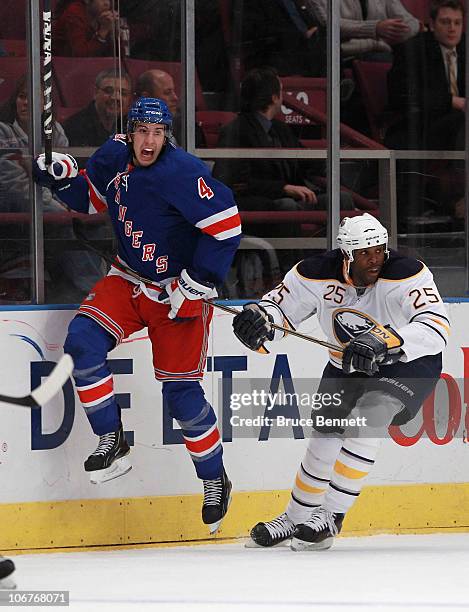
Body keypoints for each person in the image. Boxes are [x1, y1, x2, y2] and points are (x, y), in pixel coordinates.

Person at [32, 98, 241, 533]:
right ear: (129, 131)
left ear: (168, 134)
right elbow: (91, 200)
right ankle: (112, 438)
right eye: (142, 131)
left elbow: (227, 226)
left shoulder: (183, 172)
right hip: (128, 278)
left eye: (158, 133)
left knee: (181, 395)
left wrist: (196, 284)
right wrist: (58, 178)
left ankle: (214, 478)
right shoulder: (113, 154)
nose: (149, 141)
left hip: (176, 294)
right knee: (82, 345)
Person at [232, 213, 449, 550]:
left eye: (378, 250)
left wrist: (383, 341)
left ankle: (331, 515)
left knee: (368, 416)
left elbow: (436, 326)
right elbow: (278, 308)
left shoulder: (407, 273)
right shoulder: (314, 273)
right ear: (346, 254)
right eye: (364, 253)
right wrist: (259, 318)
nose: (375, 259)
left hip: (407, 363)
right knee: (323, 437)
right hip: (346, 365)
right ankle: (295, 519)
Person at [0, 75, 103, 303]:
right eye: (22, 97)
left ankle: (106, 285)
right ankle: (94, 293)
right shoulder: (3, 132)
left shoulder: (55, 131)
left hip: (49, 205)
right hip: (15, 210)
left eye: (33, 98)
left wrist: (68, 203)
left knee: (98, 223)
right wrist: (64, 209)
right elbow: (17, 188)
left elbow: (64, 177)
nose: (26, 103)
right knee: (66, 224)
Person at [213, 67, 353, 217]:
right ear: (274, 97)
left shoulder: (280, 129)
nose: (282, 97)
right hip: (262, 203)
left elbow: (304, 160)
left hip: (292, 197)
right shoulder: (236, 131)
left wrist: (329, 163)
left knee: (341, 199)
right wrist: (283, 188)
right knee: (288, 206)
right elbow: (238, 182)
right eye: (281, 91)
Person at [386, 0, 465, 151]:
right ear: (433, 25)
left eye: (457, 23)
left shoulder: (465, 50)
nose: (452, 29)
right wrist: (453, 101)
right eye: (445, 22)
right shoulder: (412, 50)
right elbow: (401, 94)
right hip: (422, 126)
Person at [304, 0, 420, 61]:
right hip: (343, 57)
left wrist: (397, 32)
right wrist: (375, 28)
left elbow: (411, 22)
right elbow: (328, 23)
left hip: (383, 52)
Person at [135, 69, 206, 147]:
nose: (175, 98)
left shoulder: (186, 126)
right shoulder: (129, 131)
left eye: (174, 91)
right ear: (146, 98)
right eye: (167, 93)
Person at [63, 69, 133, 147]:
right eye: (108, 91)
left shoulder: (132, 126)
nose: (115, 97)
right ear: (95, 93)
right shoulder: (75, 126)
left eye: (123, 93)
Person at [53, 0, 119, 57]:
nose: (107, 4)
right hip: (63, 66)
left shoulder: (102, 18)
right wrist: (103, 31)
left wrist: (114, 32)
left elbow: (119, 58)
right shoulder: (74, 13)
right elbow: (79, 55)